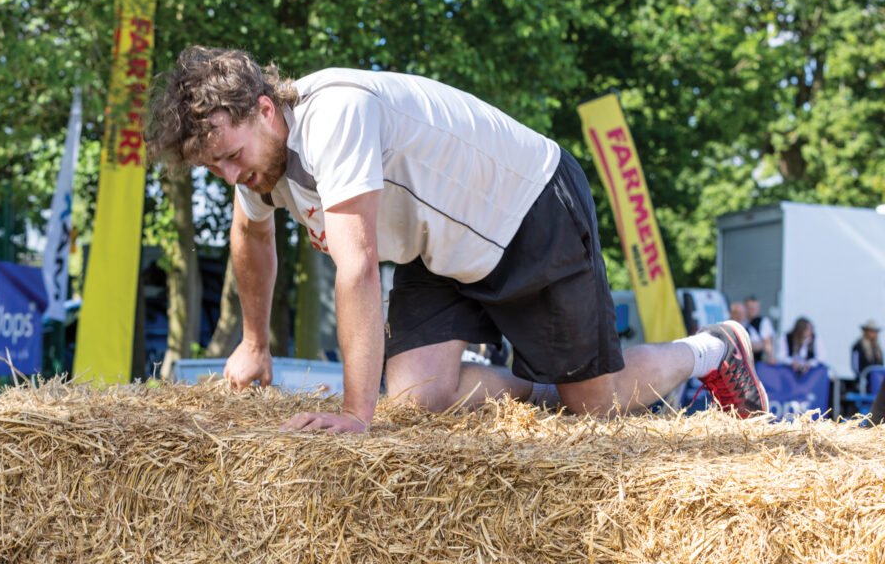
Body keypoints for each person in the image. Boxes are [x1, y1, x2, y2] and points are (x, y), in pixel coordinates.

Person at [145, 46, 769, 433]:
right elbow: (249, 235)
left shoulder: (334, 114)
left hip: (525, 207)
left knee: (598, 405)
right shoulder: (262, 163)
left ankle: (715, 347)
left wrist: (356, 417)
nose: (231, 177)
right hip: (439, 246)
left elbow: (357, 266)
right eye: (214, 169)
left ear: (266, 108)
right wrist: (253, 343)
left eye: (230, 157)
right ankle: (552, 388)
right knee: (419, 398)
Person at [846, 319, 883, 417]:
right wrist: (863, 379)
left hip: (876, 383)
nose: (873, 334)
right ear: (866, 331)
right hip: (863, 383)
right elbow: (856, 367)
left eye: (875, 331)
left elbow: (880, 365)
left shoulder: (877, 349)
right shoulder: (858, 346)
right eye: (871, 331)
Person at [744, 296, 776, 364]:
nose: (753, 310)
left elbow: (767, 342)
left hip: (757, 360)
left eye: (755, 308)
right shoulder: (741, 322)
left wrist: (770, 356)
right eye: (751, 308)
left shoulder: (763, 322)